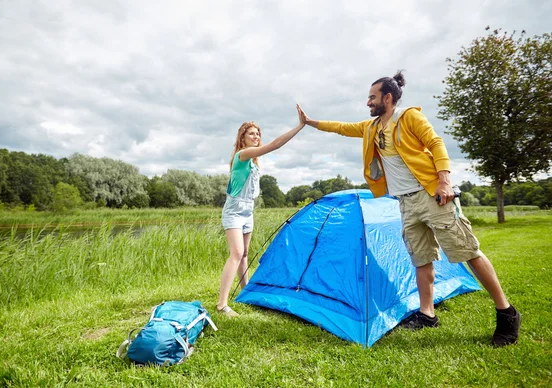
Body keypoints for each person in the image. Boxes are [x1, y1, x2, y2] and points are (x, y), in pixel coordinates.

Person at [297, 71, 521, 347]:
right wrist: (310, 122)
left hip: (432, 196)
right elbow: (342, 127)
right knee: (420, 258)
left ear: (387, 98)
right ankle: (427, 314)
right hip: (405, 202)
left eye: (372, 97)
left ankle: (507, 313)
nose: (368, 102)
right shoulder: (372, 128)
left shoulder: (408, 117)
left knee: (467, 251)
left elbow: (436, 143)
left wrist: (444, 181)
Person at [216, 105, 306, 317]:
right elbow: (274, 145)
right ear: (243, 138)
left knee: (245, 253)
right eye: (252, 134)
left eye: (258, 134)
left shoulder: (254, 163)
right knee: (236, 253)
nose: (256, 136)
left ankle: (246, 290)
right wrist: (300, 127)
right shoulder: (243, 155)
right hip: (234, 212)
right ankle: (221, 305)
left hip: (248, 212)